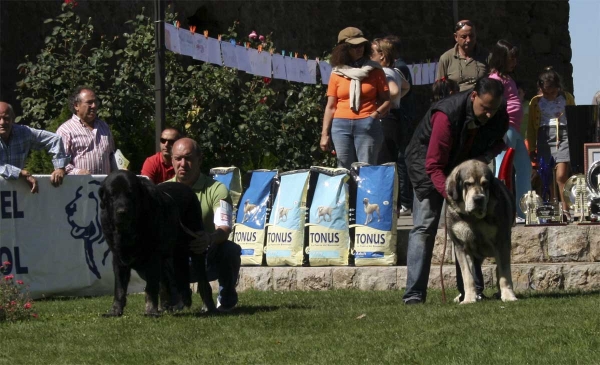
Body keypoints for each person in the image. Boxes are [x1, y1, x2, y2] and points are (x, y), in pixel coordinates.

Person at [402, 77, 509, 304]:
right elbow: (433, 165)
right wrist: (452, 197)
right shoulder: (446, 115)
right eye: (485, 108)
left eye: (494, 109)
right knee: (424, 227)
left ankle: (472, 291)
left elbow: (499, 142)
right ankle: (414, 295)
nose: (490, 114)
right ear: (473, 96)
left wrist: (481, 159)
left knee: (470, 228)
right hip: (427, 166)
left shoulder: (497, 114)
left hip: (464, 169)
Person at [169, 137, 241, 312]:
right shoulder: (163, 190)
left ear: (199, 160)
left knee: (230, 250)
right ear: (172, 160)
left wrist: (209, 238)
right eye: (178, 159)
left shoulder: (217, 189)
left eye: (188, 158)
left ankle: (226, 300)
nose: (183, 164)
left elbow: (224, 228)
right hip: (174, 259)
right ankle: (172, 298)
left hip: (207, 256)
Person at [320, 27, 391, 169]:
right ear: (343, 49)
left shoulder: (375, 70)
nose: (359, 49)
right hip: (340, 126)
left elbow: (387, 100)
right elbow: (331, 106)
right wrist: (324, 134)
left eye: (361, 45)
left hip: (368, 123)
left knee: (366, 169)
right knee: (344, 170)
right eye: (353, 46)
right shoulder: (337, 73)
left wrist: (374, 116)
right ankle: (347, 193)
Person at [488, 40, 531, 223]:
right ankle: (499, 210)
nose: (515, 62)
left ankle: (523, 211)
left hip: (515, 129)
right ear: (501, 58)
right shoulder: (495, 80)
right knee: (502, 169)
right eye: (511, 59)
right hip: (505, 129)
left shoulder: (509, 79)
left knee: (524, 167)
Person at [527, 67, 576, 219]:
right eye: (545, 92)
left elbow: (574, 117)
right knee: (547, 174)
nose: (549, 96)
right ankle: (553, 209)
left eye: (552, 92)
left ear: (558, 87)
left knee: (561, 175)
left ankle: (566, 209)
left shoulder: (566, 98)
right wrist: (532, 147)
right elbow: (530, 126)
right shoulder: (536, 102)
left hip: (563, 135)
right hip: (544, 137)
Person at [0, 102, 68, 193]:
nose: (2, 122)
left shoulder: (23, 133)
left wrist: (60, 168)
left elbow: (54, 139)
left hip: (16, 193)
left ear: (13, 118)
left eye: (6, 118)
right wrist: (20, 173)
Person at [384, 35, 415, 216]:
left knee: (400, 160)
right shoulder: (400, 67)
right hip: (403, 117)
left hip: (400, 118)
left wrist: (388, 103)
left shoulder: (397, 68)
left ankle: (405, 202)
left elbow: (400, 90)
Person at [57, 86, 116, 175]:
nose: (94, 106)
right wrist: (78, 172)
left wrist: (120, 169)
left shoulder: (104, 126)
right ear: (76, 105)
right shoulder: (65, 131)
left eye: (95, 102)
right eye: (89, 102)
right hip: (80, 186)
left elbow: (111, 155)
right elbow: (61, 164)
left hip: (104, 185)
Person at [373, 38, 410, 167]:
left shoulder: (383, 72)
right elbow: (406, 87)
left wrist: (384, 102)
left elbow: (394, 90)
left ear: (382, 55)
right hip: (395, 118)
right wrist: (396, 100)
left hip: (386, 120)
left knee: (383, 161)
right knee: (390, 161)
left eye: (372, 53)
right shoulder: (396, 71)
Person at [436, 20, 489, 92]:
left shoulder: (486, 56)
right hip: (456, 100)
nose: (468, 40)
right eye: (464, 37)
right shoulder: (446, 58)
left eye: (471, 36)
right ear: (456, 37)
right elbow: (440, 87)